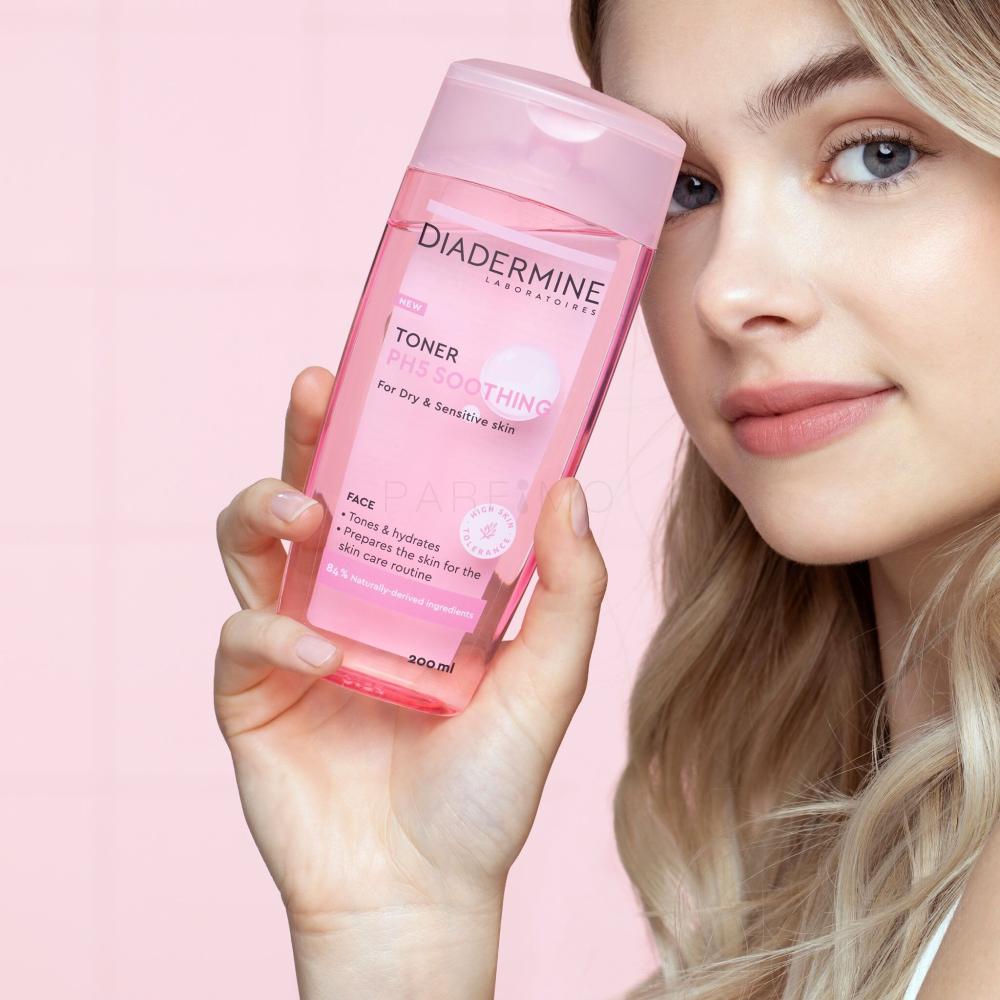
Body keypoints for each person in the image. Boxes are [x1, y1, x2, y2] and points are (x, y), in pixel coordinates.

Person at [214, 0, 1000, 996]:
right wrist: (402, 920)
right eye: (682, 188)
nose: (725, 291)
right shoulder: (835, 866)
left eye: (876, 155)